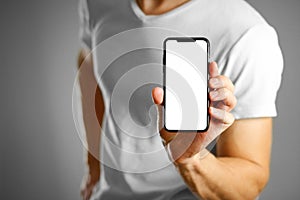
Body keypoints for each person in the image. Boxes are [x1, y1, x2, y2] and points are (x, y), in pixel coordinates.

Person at [77, 0, 283, 199]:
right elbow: (88, 65)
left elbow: (250, 181)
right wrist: (93, 163)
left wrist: (191, 161)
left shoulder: (247, 34)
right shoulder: (96, 3)